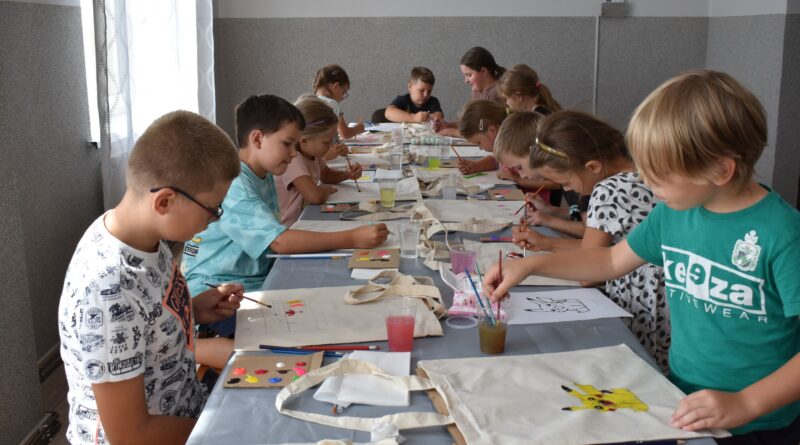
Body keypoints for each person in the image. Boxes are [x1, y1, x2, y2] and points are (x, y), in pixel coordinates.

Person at [484, 70, 800, 443]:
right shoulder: (673, 213)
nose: (647, 184)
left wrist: (747, 402)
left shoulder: (783, 234)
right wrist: (530, 264)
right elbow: (609, 262)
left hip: (762, 422)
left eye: (659, 175)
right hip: (683, 398)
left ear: (720, 170)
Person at [58, 110, 244, 444]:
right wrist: (233, 433)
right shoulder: (108, 289)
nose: (215, 219)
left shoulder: (146, 238)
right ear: (165, 201)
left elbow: (147, 320)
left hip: (187, 411)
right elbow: (131, 435)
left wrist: (194, 309)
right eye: (213, 209)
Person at [182, 95, 388, 337]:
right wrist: (352, 238)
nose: (293, 154)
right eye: (287, 144)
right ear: (257, 139)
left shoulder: (264, 173)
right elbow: (279, 242)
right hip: (217, 293)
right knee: (315, 326)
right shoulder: (236, 184)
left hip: (254, 278)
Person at [502, 110, 668, 371]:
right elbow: (608, 250)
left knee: (640, 369)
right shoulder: (642, 173)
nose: (568, 190)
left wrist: (532, 264)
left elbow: (589, 272)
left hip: (642, 306)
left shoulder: (609, 190)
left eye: (567, 182)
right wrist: (547, 244)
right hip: (665, 300)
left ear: (592, 167)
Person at [276, 95, 362, 226]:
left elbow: (325, 174)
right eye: (326, 142)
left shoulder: (314, 154)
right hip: (290, 226)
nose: (330, 146)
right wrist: (324, 190)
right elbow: (315, 196)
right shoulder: (293, 160)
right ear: (304, 141)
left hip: (306, 216)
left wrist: (347, 174)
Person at [435, 46, 506, 137]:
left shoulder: (496, 94)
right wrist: (447, 125)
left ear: (483, 71)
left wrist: (451, 132)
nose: (466, 81)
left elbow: (484, 133)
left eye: (469, 75)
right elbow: (471, 124)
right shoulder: (477, 92)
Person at [313, 64, 365, 141]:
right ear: (336, 86)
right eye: (343, 93)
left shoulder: (309, 101)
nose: (342, 98)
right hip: (329, 147)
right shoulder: (332, 104)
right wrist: (359, 128)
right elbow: (345, 133)